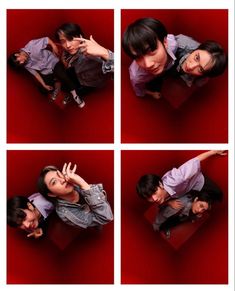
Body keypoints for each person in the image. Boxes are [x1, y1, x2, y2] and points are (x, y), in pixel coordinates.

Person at [122, 18, 227, 99]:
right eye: (196, 57)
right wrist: (152, 93)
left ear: (165, 42)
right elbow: (139, 90)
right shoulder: (137, 75)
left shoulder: (173, 44)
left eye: (201, 69)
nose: (190, 66)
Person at [8, 37, 85, 108]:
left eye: (19, 60)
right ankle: (59, 86)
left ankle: (75, 96)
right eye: (19, 64)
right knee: (43, 89)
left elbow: (47, 39)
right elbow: (35, 73)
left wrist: (54, 46)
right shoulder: (25, 64)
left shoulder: (32, 46)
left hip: (53, 62)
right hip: (46, 71)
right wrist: (44, 85)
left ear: (17, 54)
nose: (21, 62)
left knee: (63, 76)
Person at [37, 162, 113, 229]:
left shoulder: (73, 183)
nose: (63, 180)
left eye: (60, 175)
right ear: (52, 194)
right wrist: (83, 184)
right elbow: (106, 218)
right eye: (54, 182)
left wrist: (81, 183)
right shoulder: (67, 214)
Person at [136, 150, 225, 205]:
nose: (154, 199)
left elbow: (195, 160)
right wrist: (170, 202)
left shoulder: (177, 179)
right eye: (149, 197)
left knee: (218, 194)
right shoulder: (161, 196)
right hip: (191, 190)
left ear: (160, 184)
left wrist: (214, 152)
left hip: (200, 182)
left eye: (154, 192)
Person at [55, 22, 114, 100]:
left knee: (79, 93)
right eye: (63, 41)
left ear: (80, 36)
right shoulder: (70, 51)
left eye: (71, 39)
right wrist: (64, 60)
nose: (68, 45)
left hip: (90, 83)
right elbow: (66, 56)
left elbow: (116, 69)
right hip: (78, 74)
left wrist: (104, 53)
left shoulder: (90, 54)